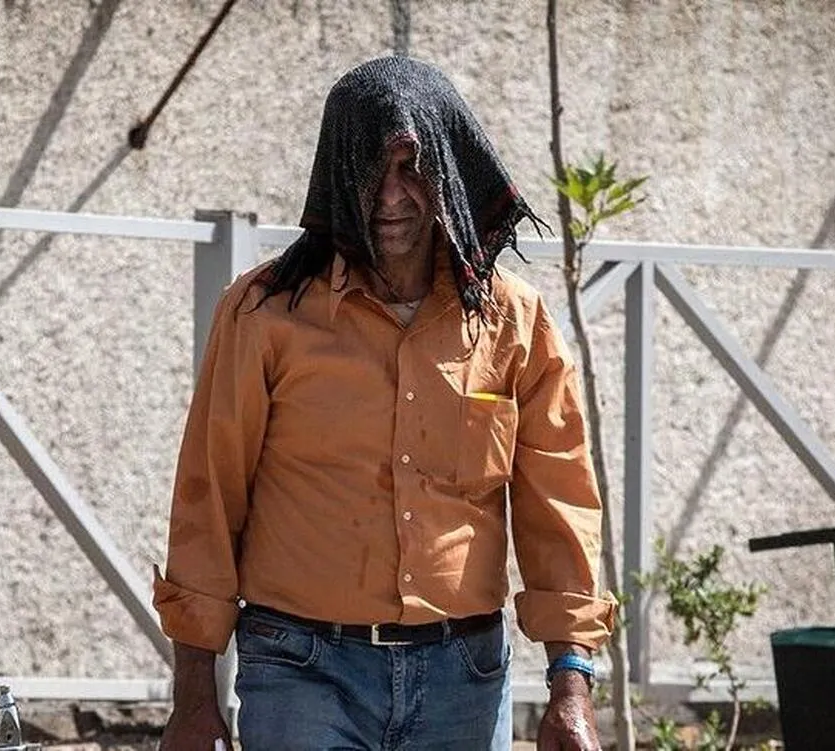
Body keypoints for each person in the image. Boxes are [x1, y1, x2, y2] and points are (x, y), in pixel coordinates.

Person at [153, 55, 615, 751]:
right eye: (371, 169)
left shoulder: (513, 323)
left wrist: (571, 685)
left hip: (465, 679)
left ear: (447, 172)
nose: (389, 196)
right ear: (338, 175)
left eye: (411, 168)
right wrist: (194, 698)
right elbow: (208, 502)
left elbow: (560, 504)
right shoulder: (264, 312)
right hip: (302, 672)